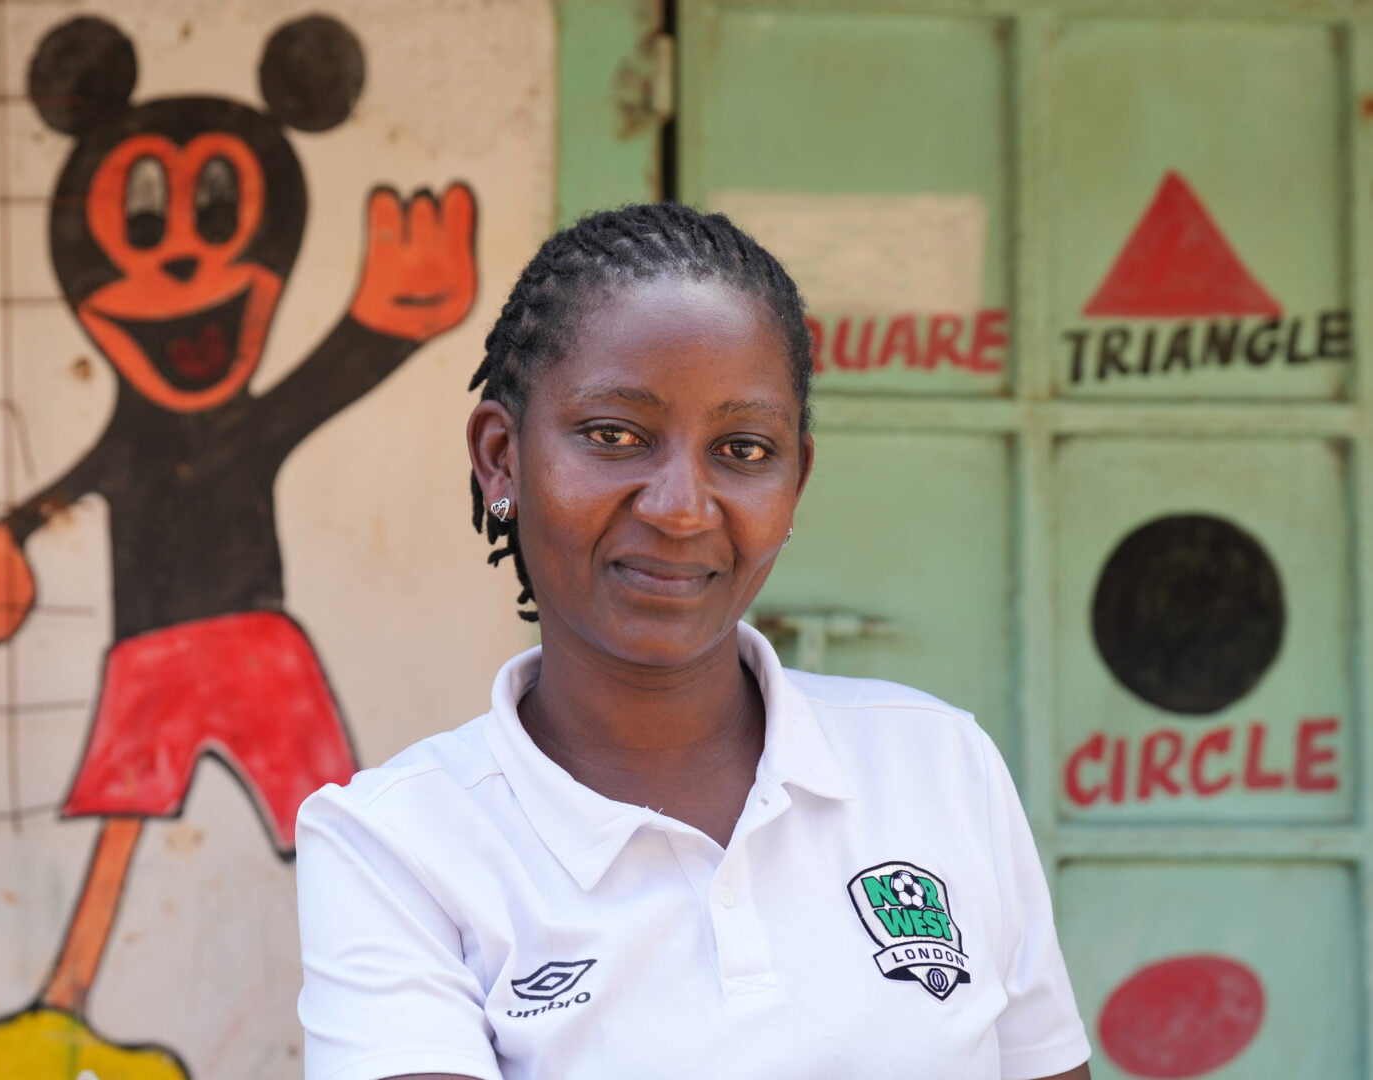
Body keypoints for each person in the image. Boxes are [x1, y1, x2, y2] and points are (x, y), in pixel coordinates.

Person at [295, 204, 1093, 1080]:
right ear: (501, 459)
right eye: (614, 436)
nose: (680, 506)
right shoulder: (396, 846)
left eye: (744, 449)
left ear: (797, 481)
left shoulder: (939, 767)